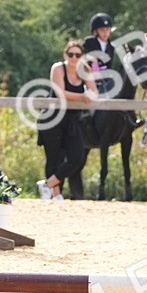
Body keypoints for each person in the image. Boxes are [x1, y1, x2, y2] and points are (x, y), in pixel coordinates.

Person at [36, 40, 97, 201]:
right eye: (70, 54)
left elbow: (94, 91)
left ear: (82, 56)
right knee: (54, 157)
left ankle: (47, 185)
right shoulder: (57, 68)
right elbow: (60, 93)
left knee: (77, 157)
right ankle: (56, 194)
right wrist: (83, 97)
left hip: (72, 120)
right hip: (52, 117)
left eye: (77, 55)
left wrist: (89, 96)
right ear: (65, 55)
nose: (74, 57)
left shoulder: (85, 70)